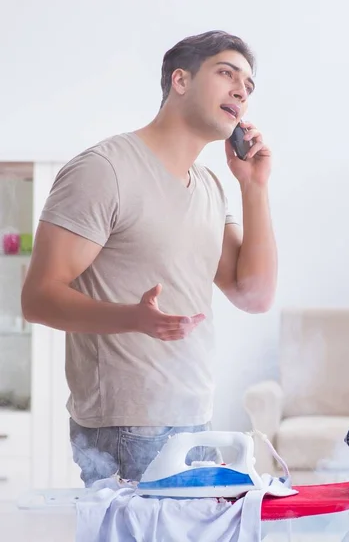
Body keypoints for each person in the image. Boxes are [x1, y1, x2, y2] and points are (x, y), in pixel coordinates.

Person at [20, 30, 277, 486]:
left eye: (249, 86)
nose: (241, 90)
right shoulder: (105, 169)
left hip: (193, 414)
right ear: (180, 80)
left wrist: (254, 186)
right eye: (226, 74)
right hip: (125, 425)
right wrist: (133, 319)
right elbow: (38, 299)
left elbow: (253, 294)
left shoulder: (212, 187)